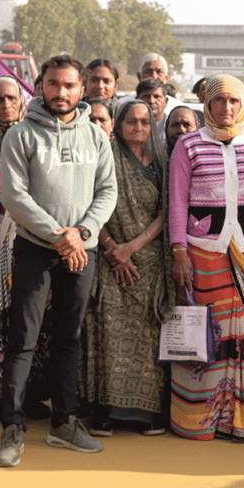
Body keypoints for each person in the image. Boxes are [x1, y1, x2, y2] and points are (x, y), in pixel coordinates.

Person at [0, 56, 118, 466]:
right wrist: (59, 236)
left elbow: (108, 191)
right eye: (52, 84)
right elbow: (14, 197)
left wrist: (81, 233)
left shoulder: (95, 136)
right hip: (35, 248)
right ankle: (12, 428)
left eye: (68, 85)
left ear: (82, 89)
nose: (60, 93)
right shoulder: (21, 135)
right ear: (40, 86)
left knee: (69, 338)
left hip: (82, 249)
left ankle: (64, 423)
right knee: (23, 339)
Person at [168, 74, 244, 442]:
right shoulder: (189, 145)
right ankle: (200, 418)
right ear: (206, 105)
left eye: (233, 101)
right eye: (218, 101)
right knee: (208, 334)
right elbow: (177, 201)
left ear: (243, 105)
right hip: (202, 254)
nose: (226, 108)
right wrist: (179, 251)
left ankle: (241, 417)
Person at [85, 98, 173, 436]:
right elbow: (92, 205)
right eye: (131, 121)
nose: (138, 127)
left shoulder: (161, 163)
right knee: (108, 331)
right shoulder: (103, 158)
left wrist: (130, 249)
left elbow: (166, 213)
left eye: (145, 122)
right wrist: (112, 248)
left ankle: (146, 413)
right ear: (118, 125)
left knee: (148, 335)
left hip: (148, 264)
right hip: (110, 262)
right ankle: (106, 411)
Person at [0, 76, 54, 422]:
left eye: (11, 98)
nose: (6, 105)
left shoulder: (37, 135)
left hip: (32, 239)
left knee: (33, 318)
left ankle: (31, 395)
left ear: (22, 101)